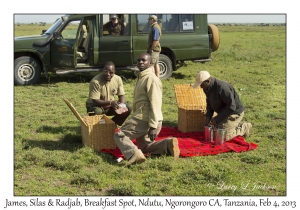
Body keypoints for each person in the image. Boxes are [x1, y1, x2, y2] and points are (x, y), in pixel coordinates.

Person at [114, 53, 180, 166]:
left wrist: (153, 125)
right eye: (139, 60)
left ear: (150, 63)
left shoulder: (151, 79)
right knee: (144, 148)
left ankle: (133, 155)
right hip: (144, 117)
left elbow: (156, 102)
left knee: (119, 135)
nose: (140, 62)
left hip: (145, 118)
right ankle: (166, 145)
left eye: (144, 60)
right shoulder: (142, 77)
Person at [192, 71, 252, 140]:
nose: (201, 87)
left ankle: (244, 127)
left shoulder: (222, 88)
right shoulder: (206, 88)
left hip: (234, 113)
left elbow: (232, 107)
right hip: (224, 113)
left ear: (208, 81)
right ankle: (232, 125)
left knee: (223, 136)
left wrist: (216, 119)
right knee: (215, 132)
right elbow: (209, 103)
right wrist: (208, 116)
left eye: (201, 85)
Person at [85, 61, 131, 126]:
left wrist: (121, 106)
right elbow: (95, 101)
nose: (108, 74)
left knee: (128, 107)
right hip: (96, 106)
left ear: (114, 72)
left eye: (111, 72)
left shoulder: (118, 79)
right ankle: (100, 126)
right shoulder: (95, 81)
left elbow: (122, 95)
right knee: (97, 112)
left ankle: (112, 124)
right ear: (102, 70)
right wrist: (111, 102)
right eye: (106, 71)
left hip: (110, 106)